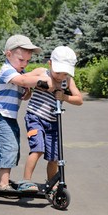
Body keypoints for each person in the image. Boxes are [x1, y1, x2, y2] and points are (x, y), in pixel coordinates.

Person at [0, 34, 52, 191]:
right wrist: (41, 82)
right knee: (8, 147)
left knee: (13, 147)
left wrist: (28, 92)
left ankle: (3, 178)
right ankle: (3, 184)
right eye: (21, 60)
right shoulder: (6, 70)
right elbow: (22, 81)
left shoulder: (19, 71)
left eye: (28, 61)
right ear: (9, 54)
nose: (24, 64)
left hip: (8, 117)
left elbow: (25, 89)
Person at [18, 46, 83, 192]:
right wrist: (28, 89)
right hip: (35, 117)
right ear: (50, 64)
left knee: (54, 157)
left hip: (53, 122)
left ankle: (51, 184)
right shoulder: (42, 72)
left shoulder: (67, 80)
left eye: (64, 73)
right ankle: (26, 181)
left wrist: (64, 97)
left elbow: (79, 100)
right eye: (58, 72)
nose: (60, 76)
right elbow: (23, 79)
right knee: (38, 148)